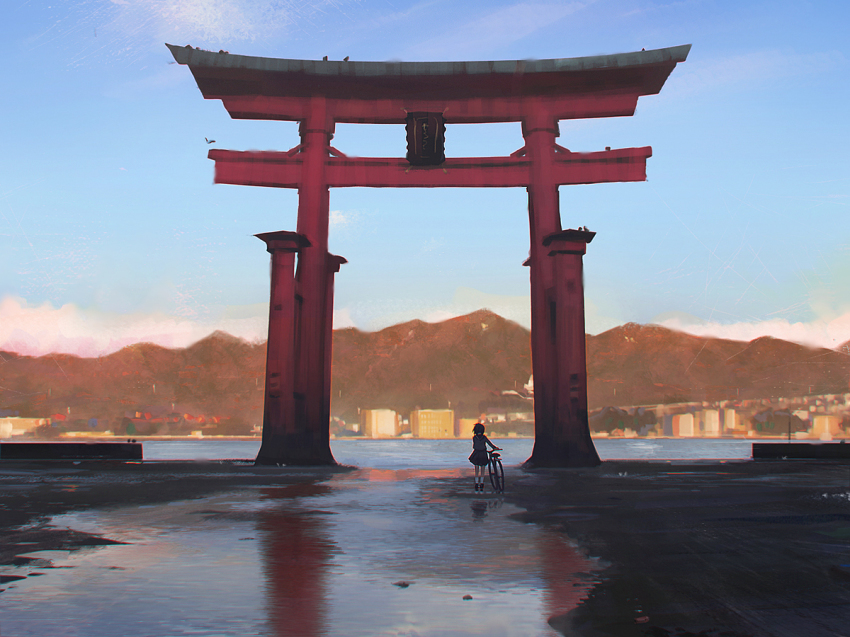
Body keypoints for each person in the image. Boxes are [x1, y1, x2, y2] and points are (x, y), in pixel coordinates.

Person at [468, 422, 500, 492]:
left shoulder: (474, 438)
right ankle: (482, 483)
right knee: (483, 468)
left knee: (476, 468)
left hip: (476, 453)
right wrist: (495, 448)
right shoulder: (484, 437)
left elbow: (474, 446)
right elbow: (490, 444)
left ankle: (476, 483)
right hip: (483, 453)